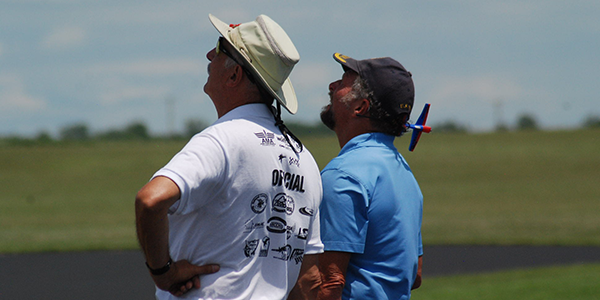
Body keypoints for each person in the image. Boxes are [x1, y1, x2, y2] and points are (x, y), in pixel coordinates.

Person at [135, 14, 323, 300]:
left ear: (235, 75)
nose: (210, 54)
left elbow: (150, 201)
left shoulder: (222, 140)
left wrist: (165, 274)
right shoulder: (306, 160)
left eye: (220, 48)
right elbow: (305, 277)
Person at [317, 53, 424, 300]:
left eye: (343, 80)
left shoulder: (343, 174)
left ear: (361, 107)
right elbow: (415, 275)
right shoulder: (405, 174)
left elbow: (328, 284)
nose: (332, 86)